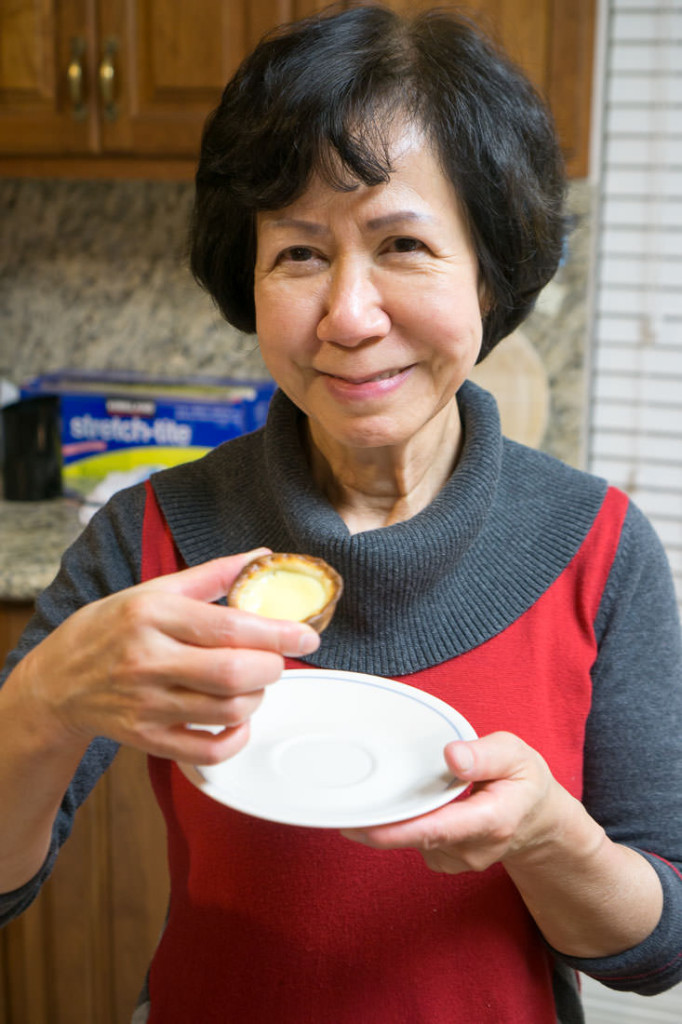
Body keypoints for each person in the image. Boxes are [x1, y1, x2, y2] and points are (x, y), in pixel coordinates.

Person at [1, 4, 681, 1022]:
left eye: (403, 243)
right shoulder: (153, 537)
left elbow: (654, 947)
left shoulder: (597, 547)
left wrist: (551, 835)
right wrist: (41, 701)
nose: (350, 316)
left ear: (490, 273)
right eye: (299, 254)